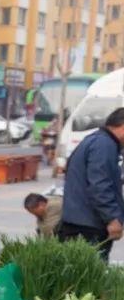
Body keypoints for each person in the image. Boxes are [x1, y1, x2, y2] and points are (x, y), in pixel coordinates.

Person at [58, 107, 124, 260]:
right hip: (88, 226)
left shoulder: (96, 140)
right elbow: (100, 185)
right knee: (89, 276)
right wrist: (112, 218)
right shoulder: (104, 145)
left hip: (79, 222)